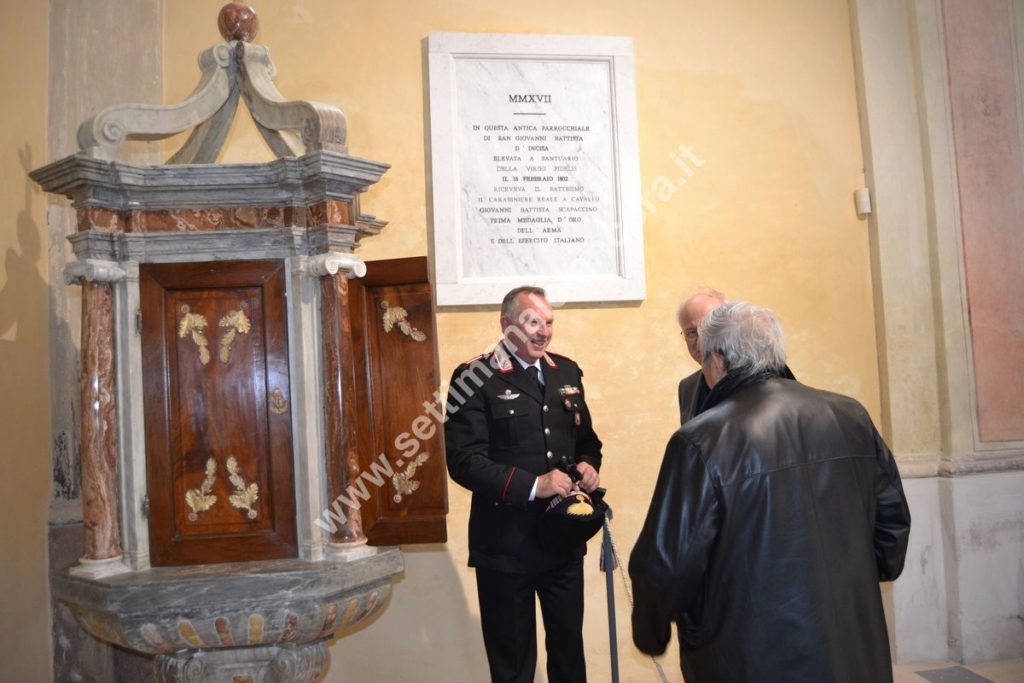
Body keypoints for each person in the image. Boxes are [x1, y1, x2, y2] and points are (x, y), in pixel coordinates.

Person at [630, 301, 911, 682]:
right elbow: (892, 526)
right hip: (849, 645)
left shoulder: (702, 439)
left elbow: (665, 562)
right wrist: (851, 581)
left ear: (717, 360)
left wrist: (652, 631)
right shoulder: (850, 415)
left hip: (746, 652)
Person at [445, 286, 602, 683]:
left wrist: (588, 464)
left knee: (569, 658)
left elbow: (588, 440)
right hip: (505, 546)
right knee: (513, 666)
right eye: (533, 322)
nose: (543, 331)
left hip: (563, 539)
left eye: (549, 322)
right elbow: (464, 462)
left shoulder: (565, 371)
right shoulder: (474, 376)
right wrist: (535, 485)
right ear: (506, 325)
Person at [676, 288, 726, 423]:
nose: (700, 341)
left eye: (708, 329)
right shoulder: (687, 387)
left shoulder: (755, 382)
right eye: (692, 332)